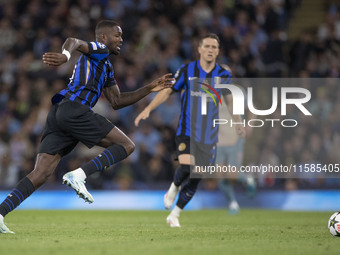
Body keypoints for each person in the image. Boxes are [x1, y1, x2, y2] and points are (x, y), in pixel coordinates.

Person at [0, 20, 173, 234]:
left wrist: (149, 88)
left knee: (42, 173)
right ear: (103, 38)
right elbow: (73, 41)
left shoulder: (105, 65)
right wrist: (64, 56)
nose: (121, 39)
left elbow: (117, 101)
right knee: (127, 145)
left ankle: (0, 212)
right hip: (75, 109)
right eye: (117, 35)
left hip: (60, 113)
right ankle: (79, 175)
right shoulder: (99, 49)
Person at [134, 33, 245, 227]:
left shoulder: (224, 74)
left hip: (209, 135)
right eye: (207, 46)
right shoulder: (187, 70)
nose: (210, 50)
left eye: (214, 47)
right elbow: (169, 90)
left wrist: (237, 120)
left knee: (196, 176)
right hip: (187, 129)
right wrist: (148, 108)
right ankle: (174, 187)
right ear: (199, 49)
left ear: (218, 51)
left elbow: (229, 98)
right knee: (186, 167)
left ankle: (175, 214)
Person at [215, 81, 256, 214]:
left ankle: (248, 179)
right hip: (218, 140)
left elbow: (252, 109)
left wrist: (249, 126)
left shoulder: (237, 91)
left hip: (234, 138)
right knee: (220, 174)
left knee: (232, 173)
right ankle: (233, 204)